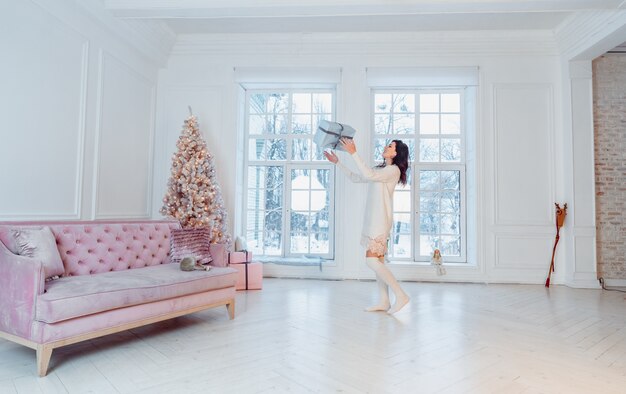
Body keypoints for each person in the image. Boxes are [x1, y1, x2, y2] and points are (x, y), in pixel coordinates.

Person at [324, 137, 410, 314]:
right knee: (378, 261)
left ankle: (401, 295)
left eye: (390, 146)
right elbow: (358, 177)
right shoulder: (382, 170)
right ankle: (384, 301)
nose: (386, 147)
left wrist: (353, 152)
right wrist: (338, 162)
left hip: (380, 221)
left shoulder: (393, 170)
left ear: (396, 153)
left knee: (371, 260)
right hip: (372, 219)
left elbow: (368, 174)